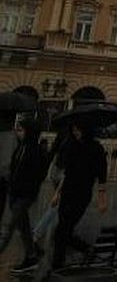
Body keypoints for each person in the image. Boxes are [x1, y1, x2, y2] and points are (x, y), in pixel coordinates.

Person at [50, 120, 108, 270]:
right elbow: (67, 173)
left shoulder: (96, 148)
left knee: (61, 231)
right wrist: (57, 193)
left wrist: (102, 199)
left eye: (78, 130)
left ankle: (58, 265)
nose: (75, 132)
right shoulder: (72, 146)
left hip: (82, 194)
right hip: (68, 192)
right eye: (74, 129)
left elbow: (102, 175)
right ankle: (85, 250)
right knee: (63, 230)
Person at [0, 117, 45, 273]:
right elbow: (14, 168)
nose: (18, 133)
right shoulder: (20, 147)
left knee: (8, 227)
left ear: (29, 132)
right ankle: (32, 253)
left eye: (21, 130)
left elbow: (38, 174)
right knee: (23, 226)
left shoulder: (37, 150)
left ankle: (31, 257)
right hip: (14, 192)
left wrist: (27, 188)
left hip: (24, 194)